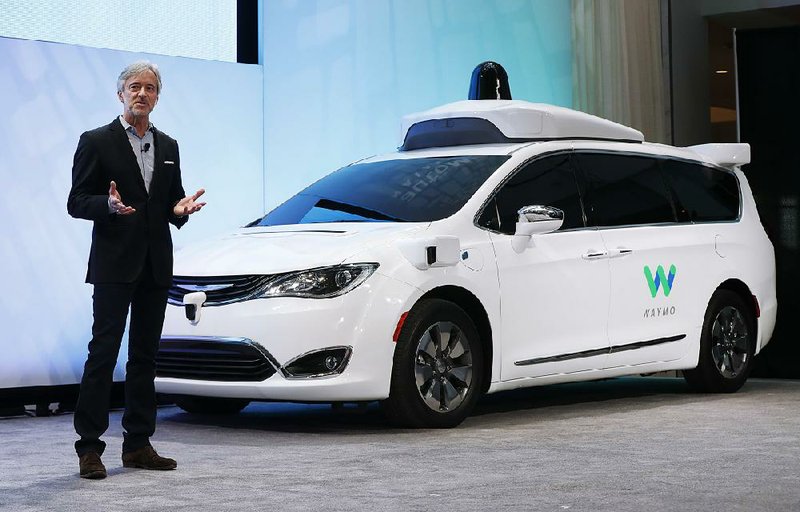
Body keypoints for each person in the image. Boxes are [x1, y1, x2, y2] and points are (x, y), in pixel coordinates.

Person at [67, 61, 205, 479]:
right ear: (120, 94)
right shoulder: (95, 141)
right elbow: (77, 201)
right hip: (113, 264)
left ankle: (138, 444)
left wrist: (179, 211)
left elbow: (170, 203)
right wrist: (106, 206)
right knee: (103, 353)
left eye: (149, 88)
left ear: (157, 97)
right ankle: (90, 448)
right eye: (134, 87)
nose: (141, 93)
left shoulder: (169, 146)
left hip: (155, 264)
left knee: (144, 356)